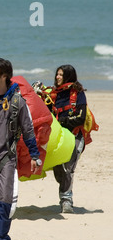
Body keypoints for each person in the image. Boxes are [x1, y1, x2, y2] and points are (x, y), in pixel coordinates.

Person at [0, 58, 41, 240]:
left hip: (6, 158)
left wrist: (35, 156)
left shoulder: (17, 101)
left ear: (4, 76)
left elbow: (28, 131)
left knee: (5, 198)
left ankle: (1, 236)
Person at [47, 65, 88, 213]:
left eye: (61, 75)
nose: (58, 77)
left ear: (69, 77)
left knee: (68, 168)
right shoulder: (53, 94)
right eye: (57, 74)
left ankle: (66, 201)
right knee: (59, 168)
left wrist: (61, 121)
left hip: (75, 136)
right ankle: (65, 193)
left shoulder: (78, 94)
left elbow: (80, 118)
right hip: (59, 138)